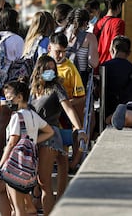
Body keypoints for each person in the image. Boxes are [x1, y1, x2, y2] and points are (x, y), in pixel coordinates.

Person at [29, 55, 87, 215]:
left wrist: (80, 129)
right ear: (39, 69)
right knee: (35, 180)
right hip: (33, 136)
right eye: (47, 68)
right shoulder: (33, 88)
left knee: (44, 182)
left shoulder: (56, 87)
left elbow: (68, 109)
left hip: (50, 136)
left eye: (53, 69)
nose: (51, 71)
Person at [0, 79, 54, 216]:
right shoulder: (33, 115)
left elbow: (11, 143)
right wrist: (32, 141)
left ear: (20, 97)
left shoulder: (17, 117)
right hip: (29, 166)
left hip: (14, 165)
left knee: (18, 207)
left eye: (10, 98)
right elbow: (50, 132)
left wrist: (0, 167)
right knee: (24, 204)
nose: (8, 101)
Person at [0, 8, 24, 164]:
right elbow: (19, 61)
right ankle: (0, 157)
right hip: (7, 87)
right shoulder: (17, 39)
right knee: (4, 121)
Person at [47, 33, 86, 174]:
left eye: (64, 52)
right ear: (49, 48)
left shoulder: (70, 68)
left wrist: (65, 103)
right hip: (44, 116)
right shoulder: (42, 64)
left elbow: (81, 97)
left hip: (63, 116)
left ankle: (70, 165)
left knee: (65, 145)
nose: (60, 55)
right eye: (57, 51)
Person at [101, 35, 132, 125]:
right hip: (129, 110)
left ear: (113, 50)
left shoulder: (104, 67)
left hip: (108, 110)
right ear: (129, 53)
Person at [60, 8, 99, 86]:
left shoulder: (62, 34)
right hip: (79, 79)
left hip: (62, 77)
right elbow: (93, 63)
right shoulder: (90, 37)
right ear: (85, 22)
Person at [94, 0, 126, 64]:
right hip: (111, 63)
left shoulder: (98, 23)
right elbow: (117, 45)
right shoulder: (119, 22)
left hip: (98, 64)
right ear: (119, 5)